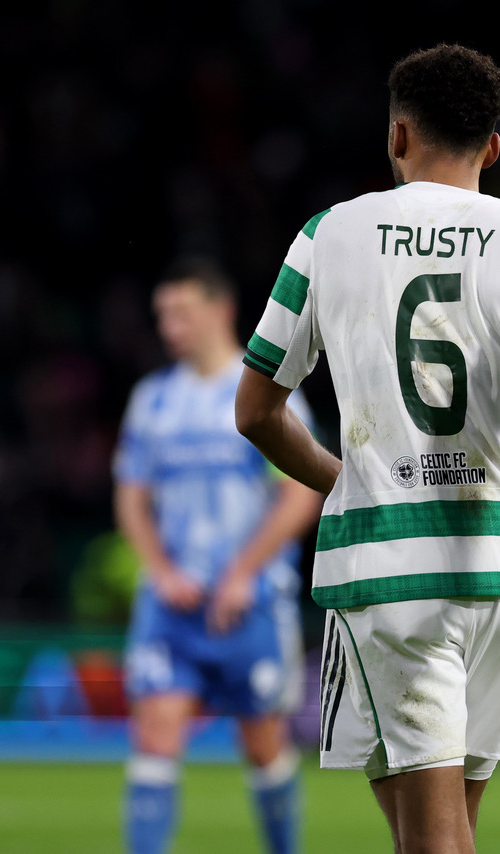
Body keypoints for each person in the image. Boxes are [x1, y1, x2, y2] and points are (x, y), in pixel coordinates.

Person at [232, 44, 500, 854]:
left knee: (434, 840)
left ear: (397, 136)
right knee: (440, 832)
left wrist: (346, 478)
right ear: (496, 146)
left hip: (387, 571)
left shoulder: (328, 234)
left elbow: (256, 410)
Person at [113, 258, 324, 854]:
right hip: (172, 603)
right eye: (162, 314)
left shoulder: (260, 392)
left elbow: (300, 491)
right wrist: (159, 571)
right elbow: (131, 499)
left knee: (261, 743)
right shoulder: (152, 401)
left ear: (220, 310)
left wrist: (242, 571)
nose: (169, 326)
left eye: (182, 311)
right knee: (154, 735)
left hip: (250, 601)